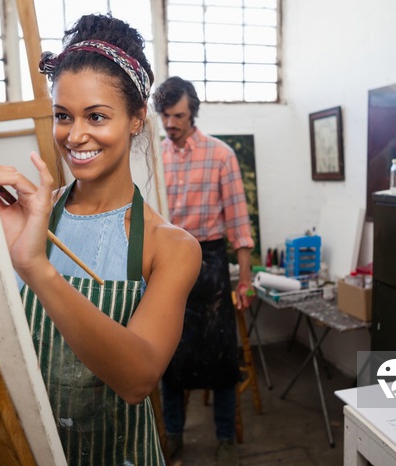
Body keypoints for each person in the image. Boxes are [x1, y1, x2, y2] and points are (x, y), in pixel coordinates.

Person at [0, 14, 201, 466]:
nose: (75, 135)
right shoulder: (29, 216)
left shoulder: (171, 246)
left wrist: (36, 269)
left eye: (97, 116)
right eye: (63, 116)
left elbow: (138, 377)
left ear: (138, 119)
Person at [152, 76, 256, 466]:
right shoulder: (155, 157)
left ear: (192, 111)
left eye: (177, 115)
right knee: (168, 353)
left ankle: (226, 437)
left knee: (222, 356)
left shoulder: (221, 155)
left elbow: (239, 225)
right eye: (165, 115)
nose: (170, 123)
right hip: (166, 262)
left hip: (211, 263)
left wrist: (244, 279)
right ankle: (174, 434)